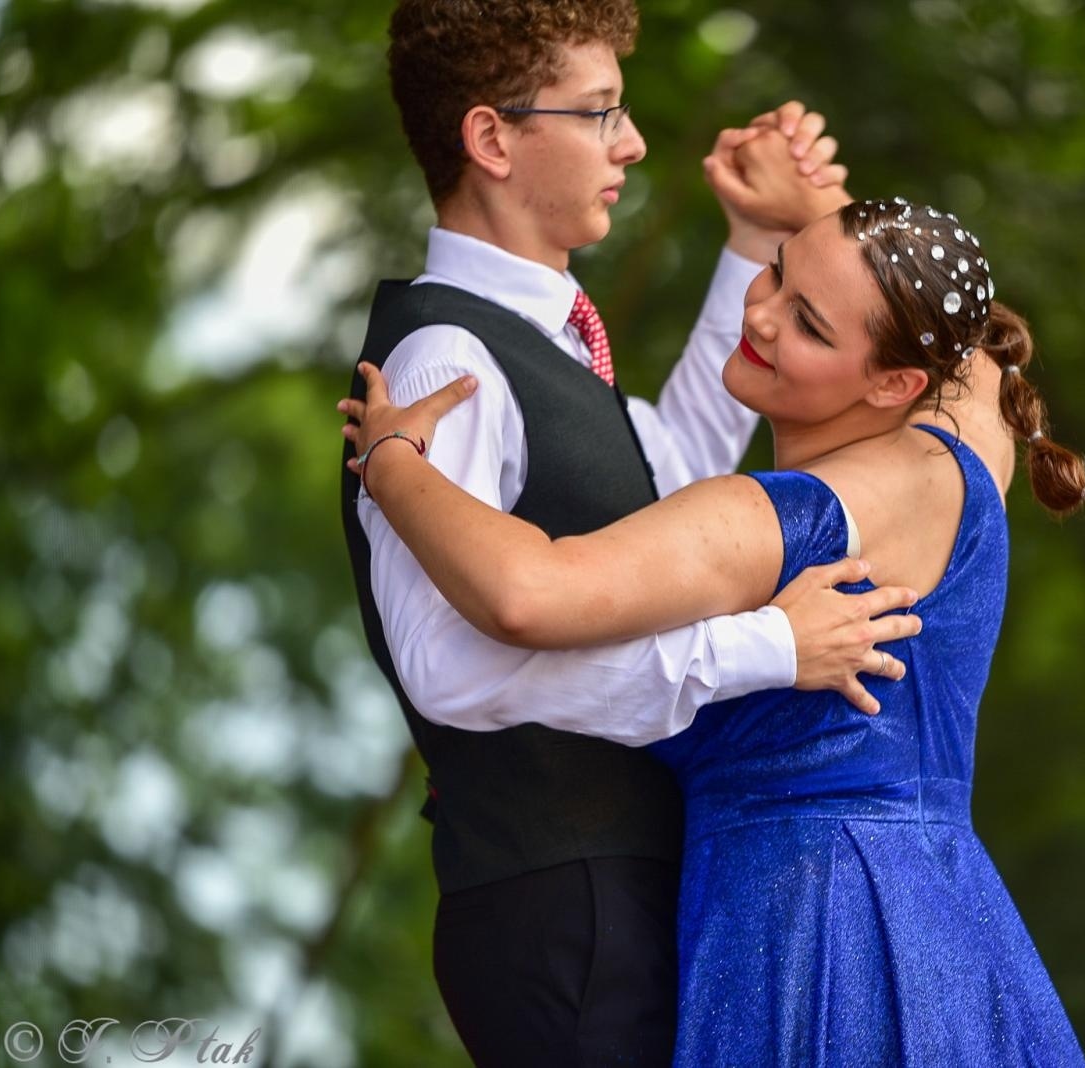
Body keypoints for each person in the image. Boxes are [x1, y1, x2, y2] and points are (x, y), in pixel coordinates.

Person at [341, 197, 1085, 1064]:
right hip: (941, 922)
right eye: (778, 272)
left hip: (814, 938)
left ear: (890, 382)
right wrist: (818, 221)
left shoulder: (788, 518)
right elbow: (961, 342)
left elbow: (527, 595)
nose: (759, 314)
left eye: (807, 321)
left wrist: (390, 459)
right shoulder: (965, 454)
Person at [344, 2, 924, 1063]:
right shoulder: (440, 363)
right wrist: (763, 652)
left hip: (610, 892)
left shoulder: (545, 342)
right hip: (558, 909)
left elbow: (678, 471)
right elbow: (448, 670)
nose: (634, 142)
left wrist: (754, 240)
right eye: (601, 112)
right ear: (492, 139)